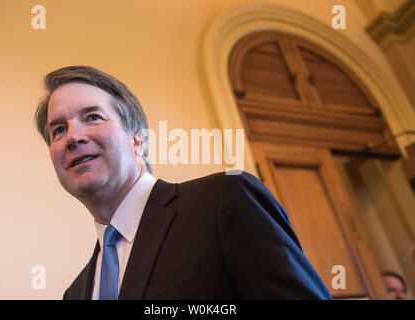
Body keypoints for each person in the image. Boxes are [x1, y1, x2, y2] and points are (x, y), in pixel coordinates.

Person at [34, 65, 332, 300]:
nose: (73, 137)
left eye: (93, 117)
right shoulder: (75, 294)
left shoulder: (224, 200)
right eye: (59, 130)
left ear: (138, 140)